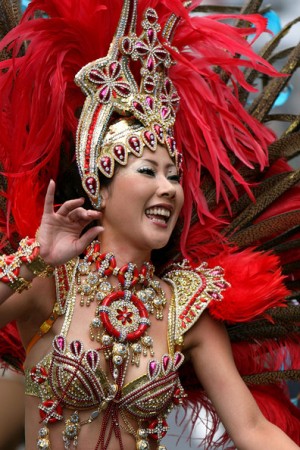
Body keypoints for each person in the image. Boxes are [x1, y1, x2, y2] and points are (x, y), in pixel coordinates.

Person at [0, 0, 299, 449]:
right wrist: (34, 262)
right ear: (97, 187)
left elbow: (253, 429)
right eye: (147, 171)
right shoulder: (50, 285)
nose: (168, 189)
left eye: (174, 177)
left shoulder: (185, 305)